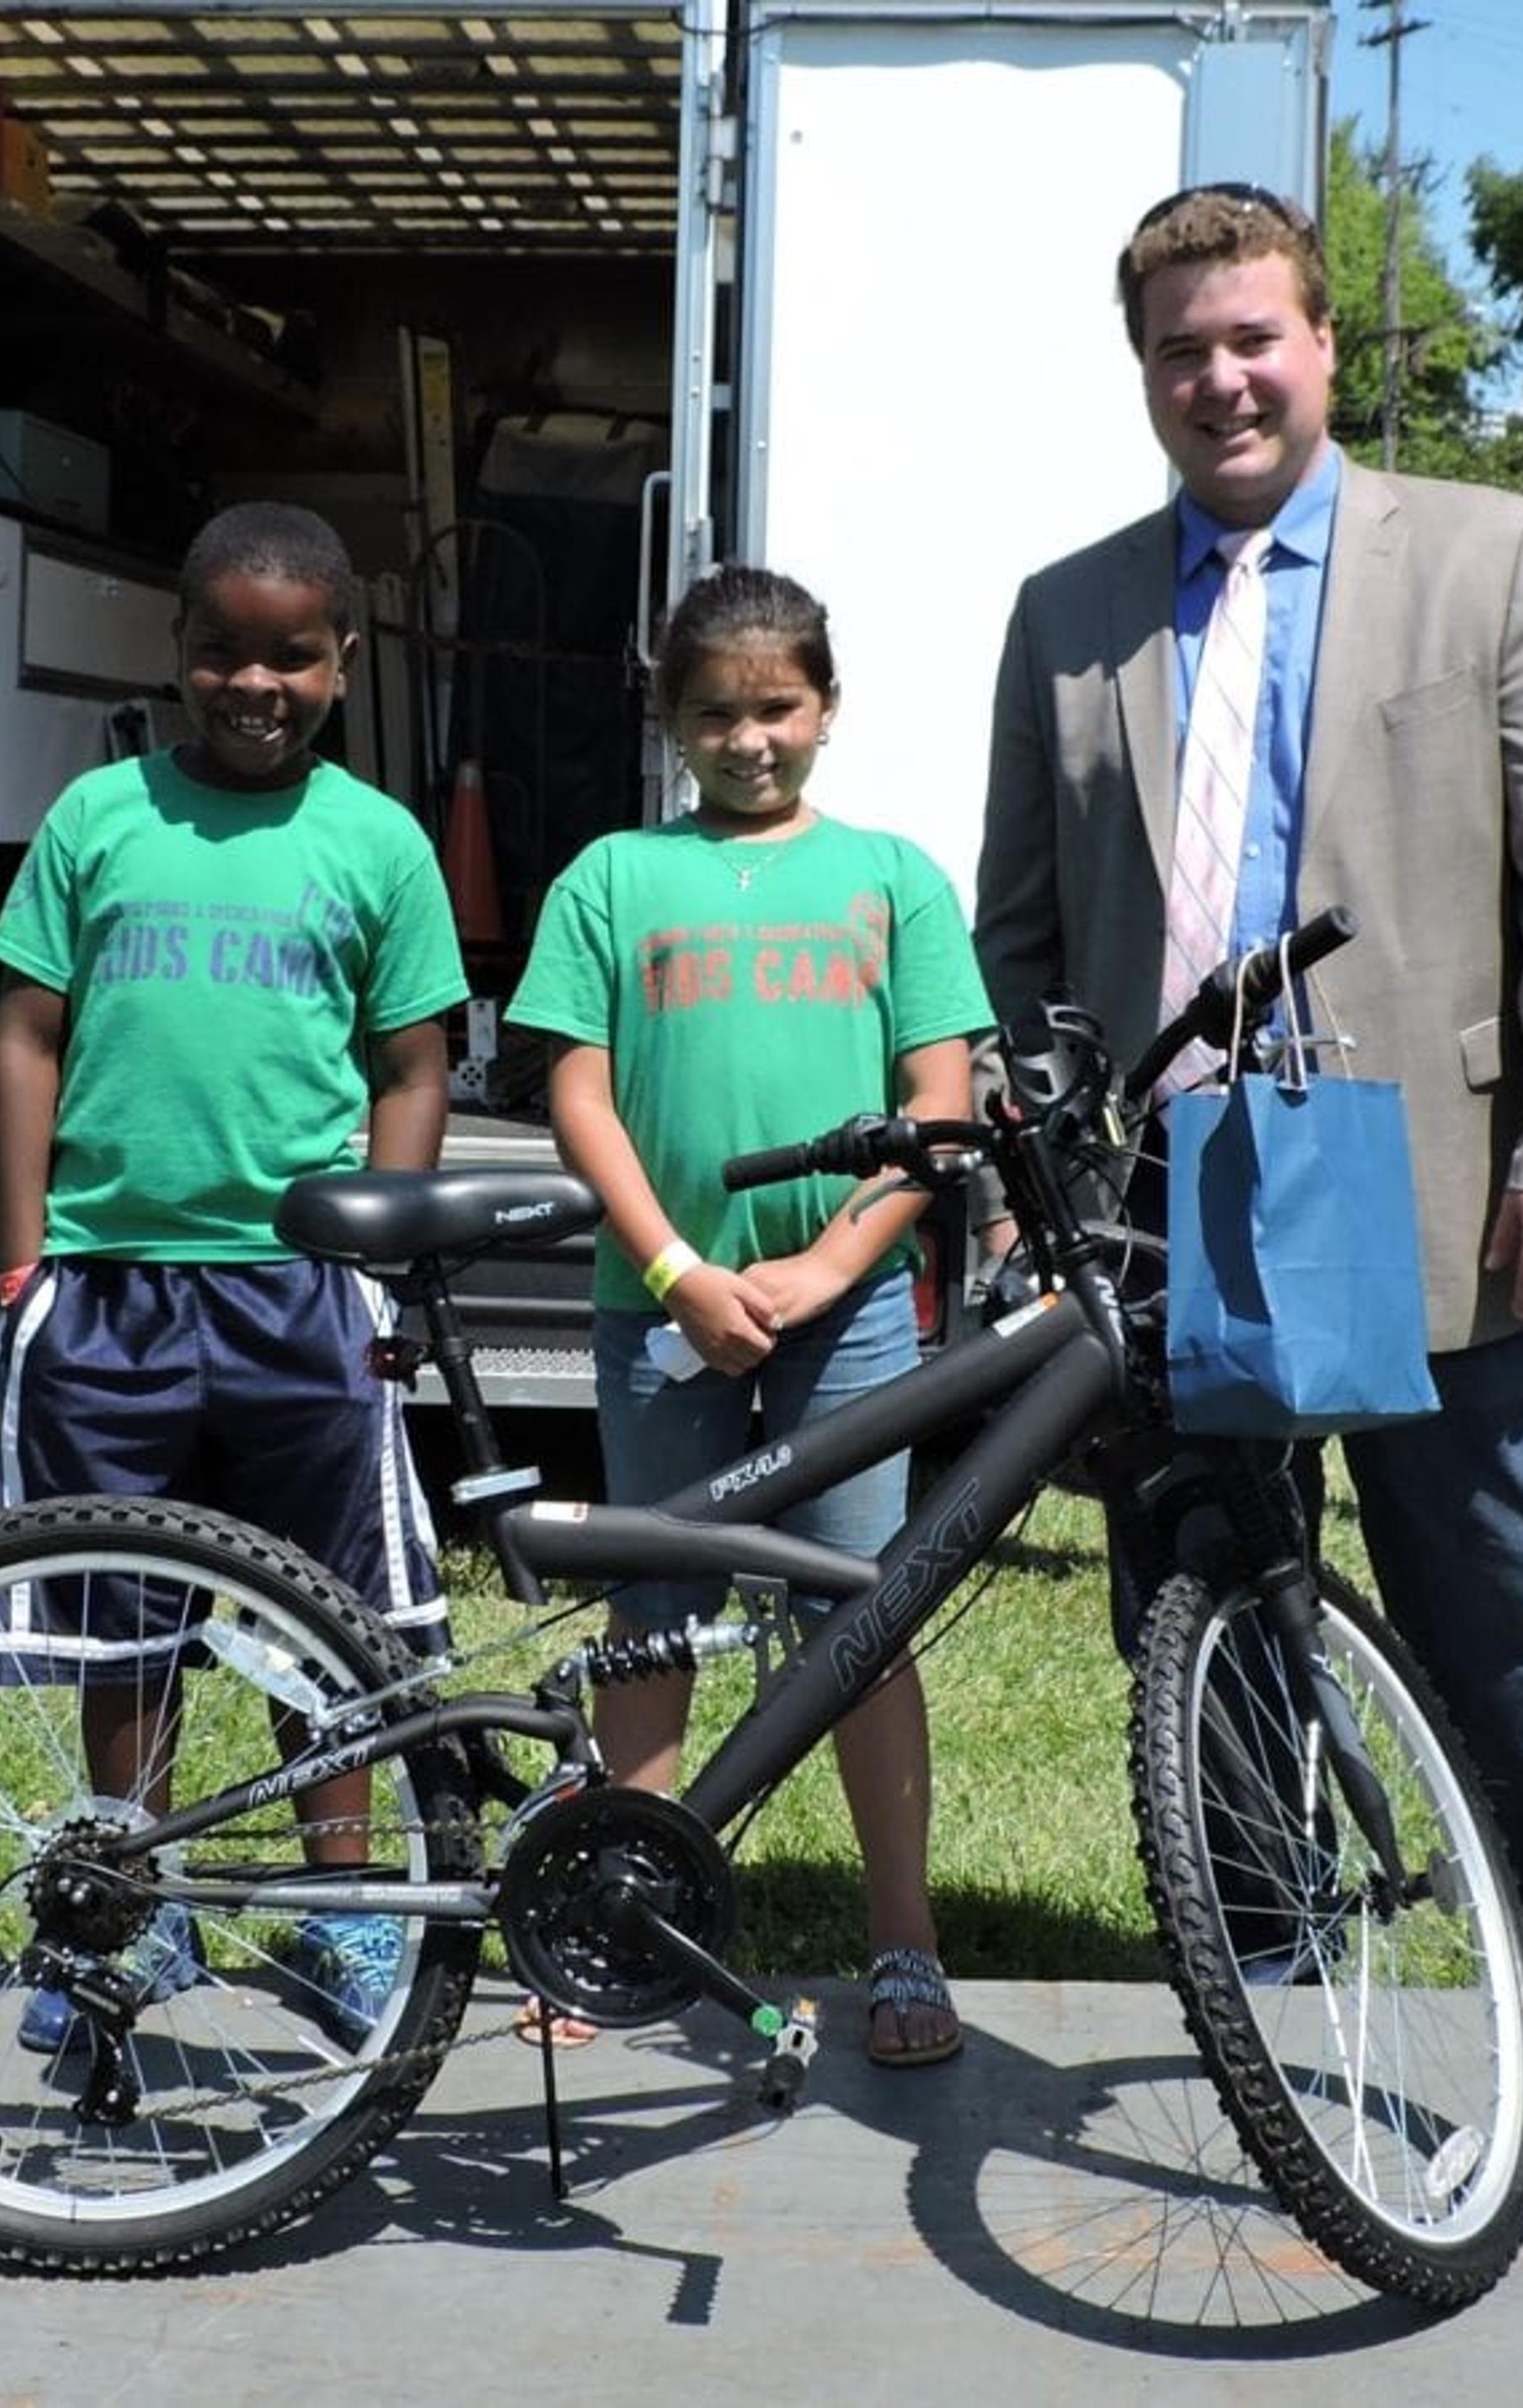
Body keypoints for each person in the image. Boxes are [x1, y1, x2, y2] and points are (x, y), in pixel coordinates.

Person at [975, 182, 1523, 1988]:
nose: (1223, 380)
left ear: (1325, 342)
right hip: (1174, 1200)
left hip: (1443, 1190)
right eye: (1182, 350)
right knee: (1209, 1626)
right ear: (1143, 371)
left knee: (1516, 1628)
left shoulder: (1492, 553)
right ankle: (1274, 1990)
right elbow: (1021, 937)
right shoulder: (1067, 616)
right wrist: (1049, 1201)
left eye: (1253, 336)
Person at [0, 499, 468, 2053]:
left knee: (320, 1626)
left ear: (341, 664)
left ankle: (343, 1921)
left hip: (297, 1296)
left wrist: (378, 1253)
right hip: (115, 1283)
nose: (255, 685)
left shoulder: (377, 841)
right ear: (180, 655)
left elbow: (412, 1060)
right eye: (222, 654)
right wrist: (21, 1243)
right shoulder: (99, 820)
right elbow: (27, 1034)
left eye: (292, 659)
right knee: (128, 1623)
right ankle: (133, 1907)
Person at [507, 564, 989, 2066]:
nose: (750, 738)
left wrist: (834, 1268)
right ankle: (620, 1918)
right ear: (671, 722)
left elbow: (942, 1103)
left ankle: (901, 1941)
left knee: (856, 1619)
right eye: (715, 712)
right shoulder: (609, 879)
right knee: (649, 1626)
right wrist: (676, 1272)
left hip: (842, 1317)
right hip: (664, 1304)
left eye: (777, 706)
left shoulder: (894, 877)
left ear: (827, 709)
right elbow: (573, 1086)